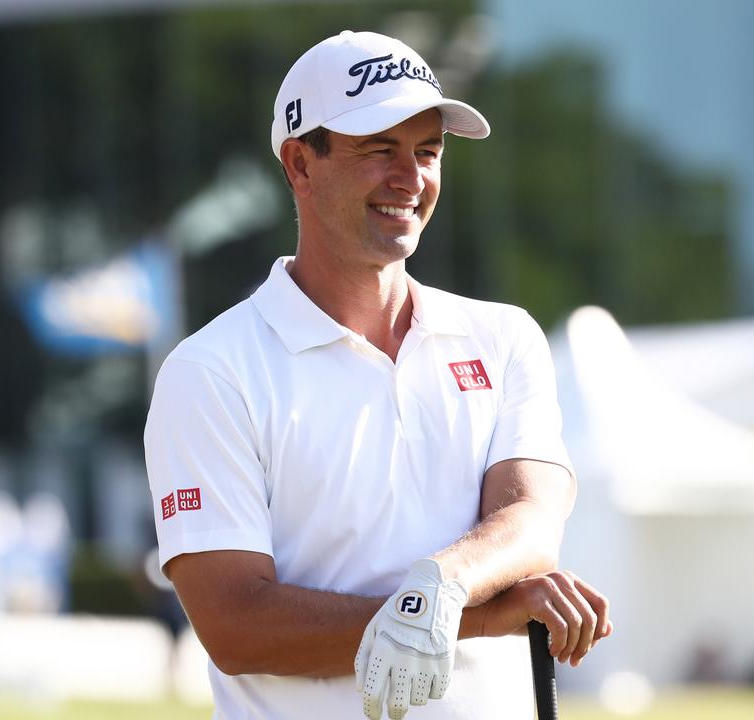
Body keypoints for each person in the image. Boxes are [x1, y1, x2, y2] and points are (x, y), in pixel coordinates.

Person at [144, 30, 611, 720]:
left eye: (428, 152)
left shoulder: (505, 336)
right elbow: (235, 626)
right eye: (379, 150)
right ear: (301, 165)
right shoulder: (212, 372)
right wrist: (468, 617)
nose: (411, 178)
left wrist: (440, 585)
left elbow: (532, 518)